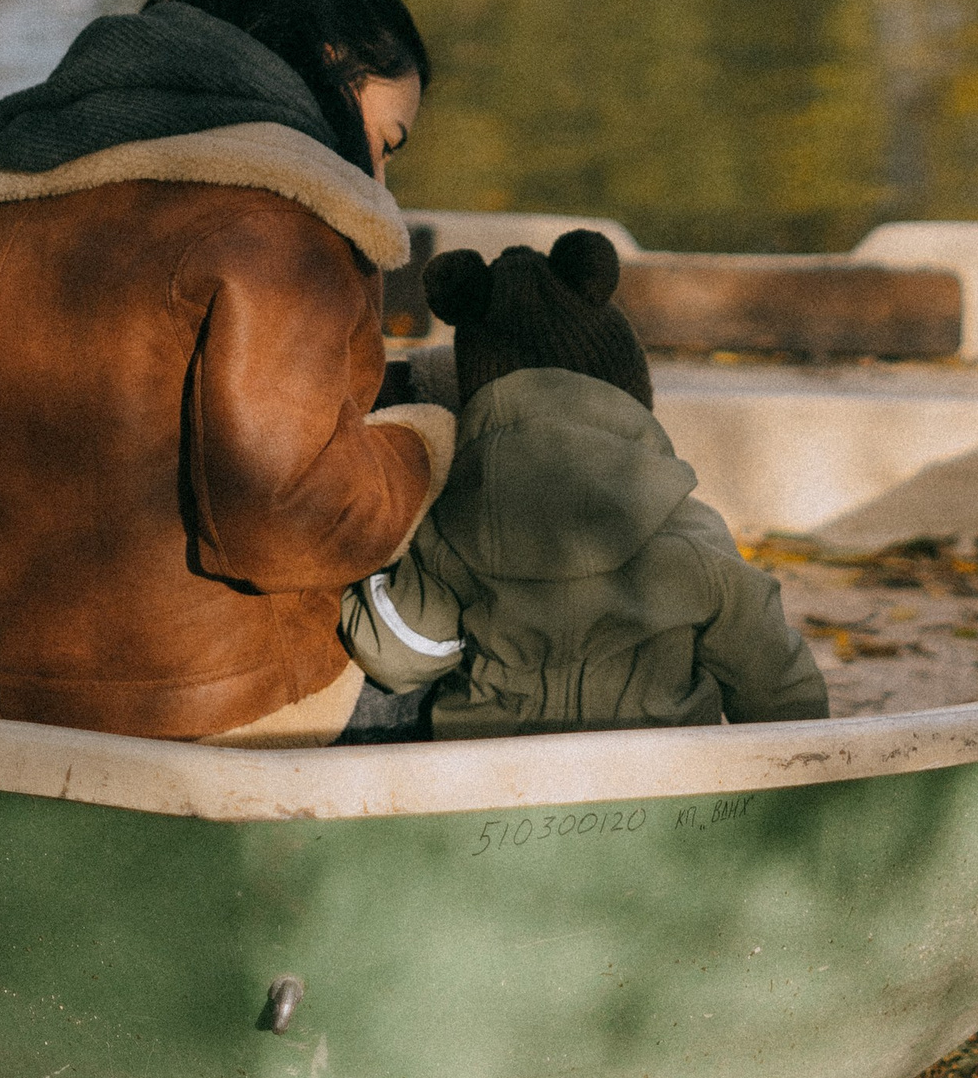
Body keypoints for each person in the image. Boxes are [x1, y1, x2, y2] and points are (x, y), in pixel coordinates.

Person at [0, 0, 453, 745]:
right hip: (218, 714)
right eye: (388, 138)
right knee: (522, 643)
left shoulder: (35, 191)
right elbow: (292, 524)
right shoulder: (285, 220)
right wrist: (430, 445)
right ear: (331, 62)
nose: (377, 179)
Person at [340, 231, 829, 740]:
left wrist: (367, 574)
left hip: (502, 782)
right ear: (629, 394)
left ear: (480, 403)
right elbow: (773, 678)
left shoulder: (455, 526)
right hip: (656, 774)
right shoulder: (689, 527)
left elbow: (399, 653)